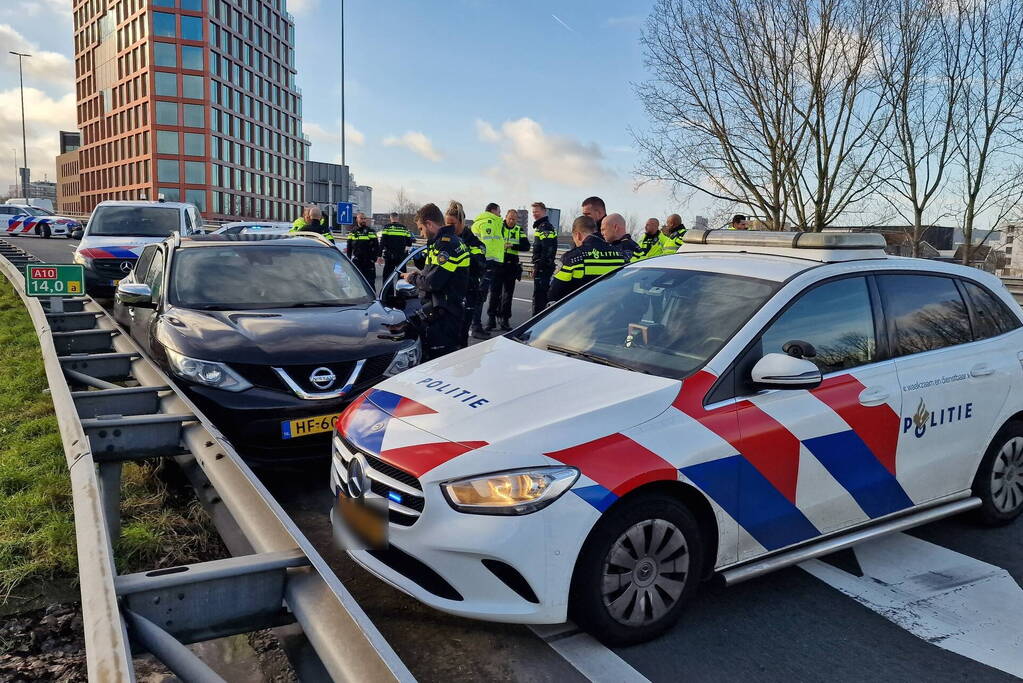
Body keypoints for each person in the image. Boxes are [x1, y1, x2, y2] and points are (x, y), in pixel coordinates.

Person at [402, 203, 469, 360]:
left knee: (439, 361)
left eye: (420, 228)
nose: (421, 233)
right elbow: (433, 274)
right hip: (441, 311)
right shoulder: (443, 243)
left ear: (429, 224)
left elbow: (433, 283)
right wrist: (422, 274)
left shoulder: (446, 245)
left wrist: (411, 278)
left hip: (445, 315)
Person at [549, 215, 626, 302]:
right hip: (611, 309)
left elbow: (554, 293)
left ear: (577, 235)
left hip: (582, 311)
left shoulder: (572, 258)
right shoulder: (619, 255)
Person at [445, 200, 488, 345]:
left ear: (462, 223)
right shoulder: (444, 239)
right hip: (446, 296)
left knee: (460, 337)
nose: (448, 228)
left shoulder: (475, 243)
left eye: (452, 224)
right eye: (446, 224)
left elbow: (479, 265)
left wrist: (461, 250)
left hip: (466, 293)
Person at [488, 209, 529, 331]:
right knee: (494, 293)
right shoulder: (499, 227)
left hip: (511, 266)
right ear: (505, 217)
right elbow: (491, 242)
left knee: (508, 295)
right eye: (510, 218)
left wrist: (512, 245)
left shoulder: (518, 230)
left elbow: (526, 246)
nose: (512, 221)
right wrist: (501, 246)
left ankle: (505, 319)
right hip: (498, 264)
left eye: (514, 219)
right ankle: (491, 319)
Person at [471, 203, 505, 332]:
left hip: (484, 262)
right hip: (487, 263)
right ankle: (476, 326)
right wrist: (492, 261)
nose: (500, 214)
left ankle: (475, 324)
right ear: (493, 210)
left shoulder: (483, 222)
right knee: (480, 295)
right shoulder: (488, 223)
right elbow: (488, 243)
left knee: (480, 294)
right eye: (499, 211)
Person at [530, 201, 559, 314]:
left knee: (539, 298)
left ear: (544, 211)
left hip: (543, 268)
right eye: (533, 212)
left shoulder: (545, 227)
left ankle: (536, 323)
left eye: (537, 211)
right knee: (540, 296)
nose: (534, 214)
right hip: (543, 267)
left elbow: (548, 250)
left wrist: (538, 267)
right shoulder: (541, 227)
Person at [346, 212, 380, 287]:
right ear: (357, 219)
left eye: (365, 218)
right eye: (361, 218)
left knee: (370, 283)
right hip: (357, 261)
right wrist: (349, 260)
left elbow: (376, 246)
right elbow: (349, 247)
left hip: (368, 261)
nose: (364, 220)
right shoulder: (352, 232)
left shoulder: (371, 231)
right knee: (356, 283)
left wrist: (373, 259)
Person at [380, 212, 414, 283]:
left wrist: (379, 255)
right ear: (397, 218)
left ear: (390, 218)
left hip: (389, 256)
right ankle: (401, 292)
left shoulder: (387, 227)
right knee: (402, 275)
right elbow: (409, 243)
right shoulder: (404, 228)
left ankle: (388, 293)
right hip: (401, 256)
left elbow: (382, 242)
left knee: (388, 276)